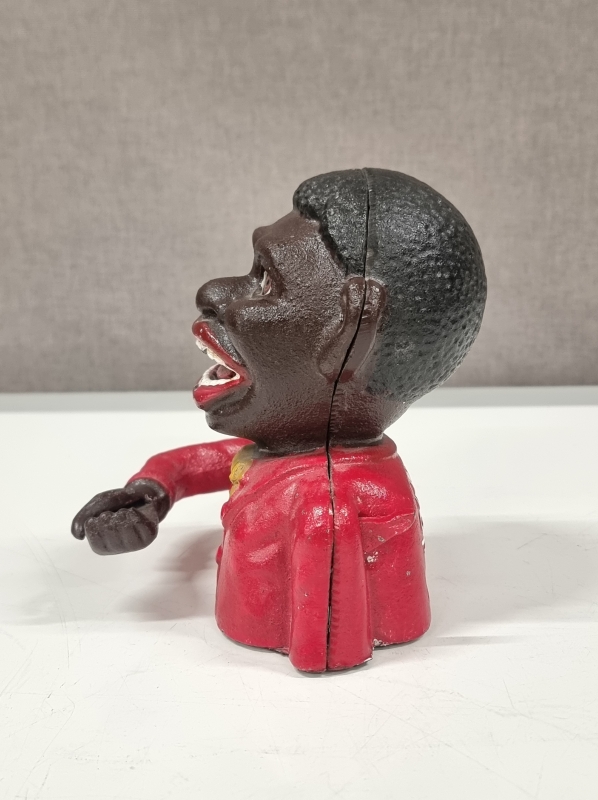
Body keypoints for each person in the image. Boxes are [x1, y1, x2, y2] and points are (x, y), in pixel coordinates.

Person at [72, 168, 486, 672]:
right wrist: (152, 490)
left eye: (266, 279)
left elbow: (326, 642)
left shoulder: (328, 502)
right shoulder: (296, 456)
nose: (212, 291)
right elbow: (212, 462)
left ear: (347, 334)